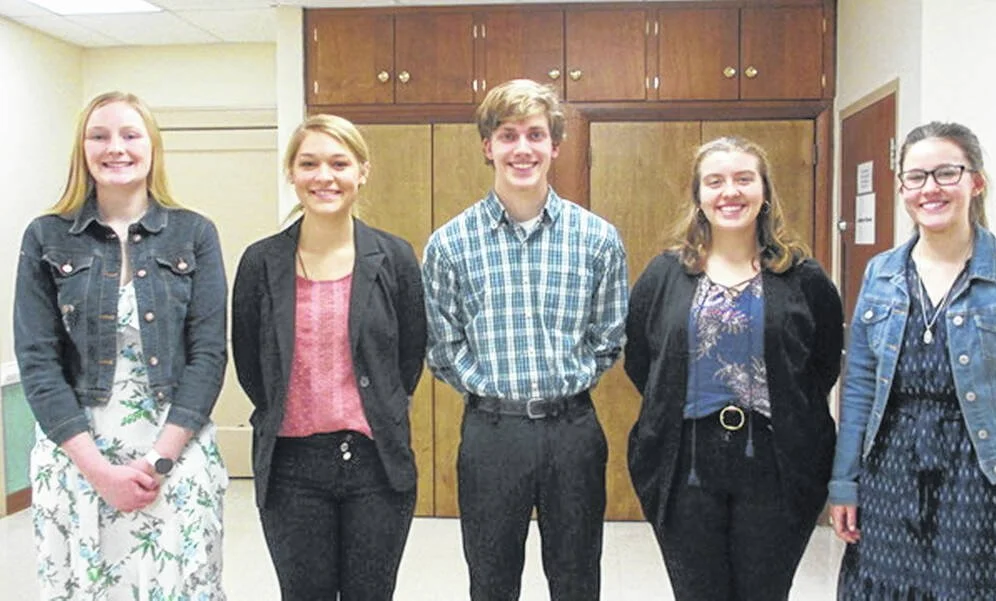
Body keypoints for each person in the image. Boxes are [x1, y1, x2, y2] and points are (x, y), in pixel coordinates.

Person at [829, 122, 996, 600]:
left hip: (982, 477)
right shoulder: (882, 273)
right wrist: (844, 483)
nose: (929, 188)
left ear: (975, 182)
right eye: (915, 177)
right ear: (901, 188)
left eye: (946, 173)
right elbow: (858, 387)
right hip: (889, 475)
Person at [13, 91, 229, 599]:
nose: (116, 147)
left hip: (172, 456)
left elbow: (209, 355)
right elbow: (38, 362)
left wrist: (157, 461)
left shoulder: (193, 234)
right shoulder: (46, 237)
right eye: (99, 135)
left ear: (152, 147)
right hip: (78, 458)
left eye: (131, 135)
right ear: (82, 149)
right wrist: (100, 472)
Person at [422, 78, 628, 601]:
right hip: (492, 434)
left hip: (573, 431)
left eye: (535, 135)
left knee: (577, 577)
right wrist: (488, 388)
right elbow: (441, 347)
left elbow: (608, 336)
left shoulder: (597, 238)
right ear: (487, 147)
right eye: (508, 135)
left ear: (554, 147)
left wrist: (565, 382)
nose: (522, 149)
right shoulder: (450, 244)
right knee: (491, 581)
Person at [624, 136, 844, 601]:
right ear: (698, 196)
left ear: (764, 191)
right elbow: (643, 360)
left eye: (744, 179)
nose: (730, 192)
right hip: (684, 463)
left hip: (778, 464)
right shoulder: (664, 274)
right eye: (715, 181)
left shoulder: (803, 277)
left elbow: (821, 364)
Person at [231, 114, 426, 601]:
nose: (324, 176)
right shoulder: (260, 262)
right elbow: (252, 367)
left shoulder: (395, 258)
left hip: (375, 464)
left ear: (362, 171)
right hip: (292, 467)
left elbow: (408, 360)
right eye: (309, 163)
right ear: (291, 174)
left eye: (339, 163)